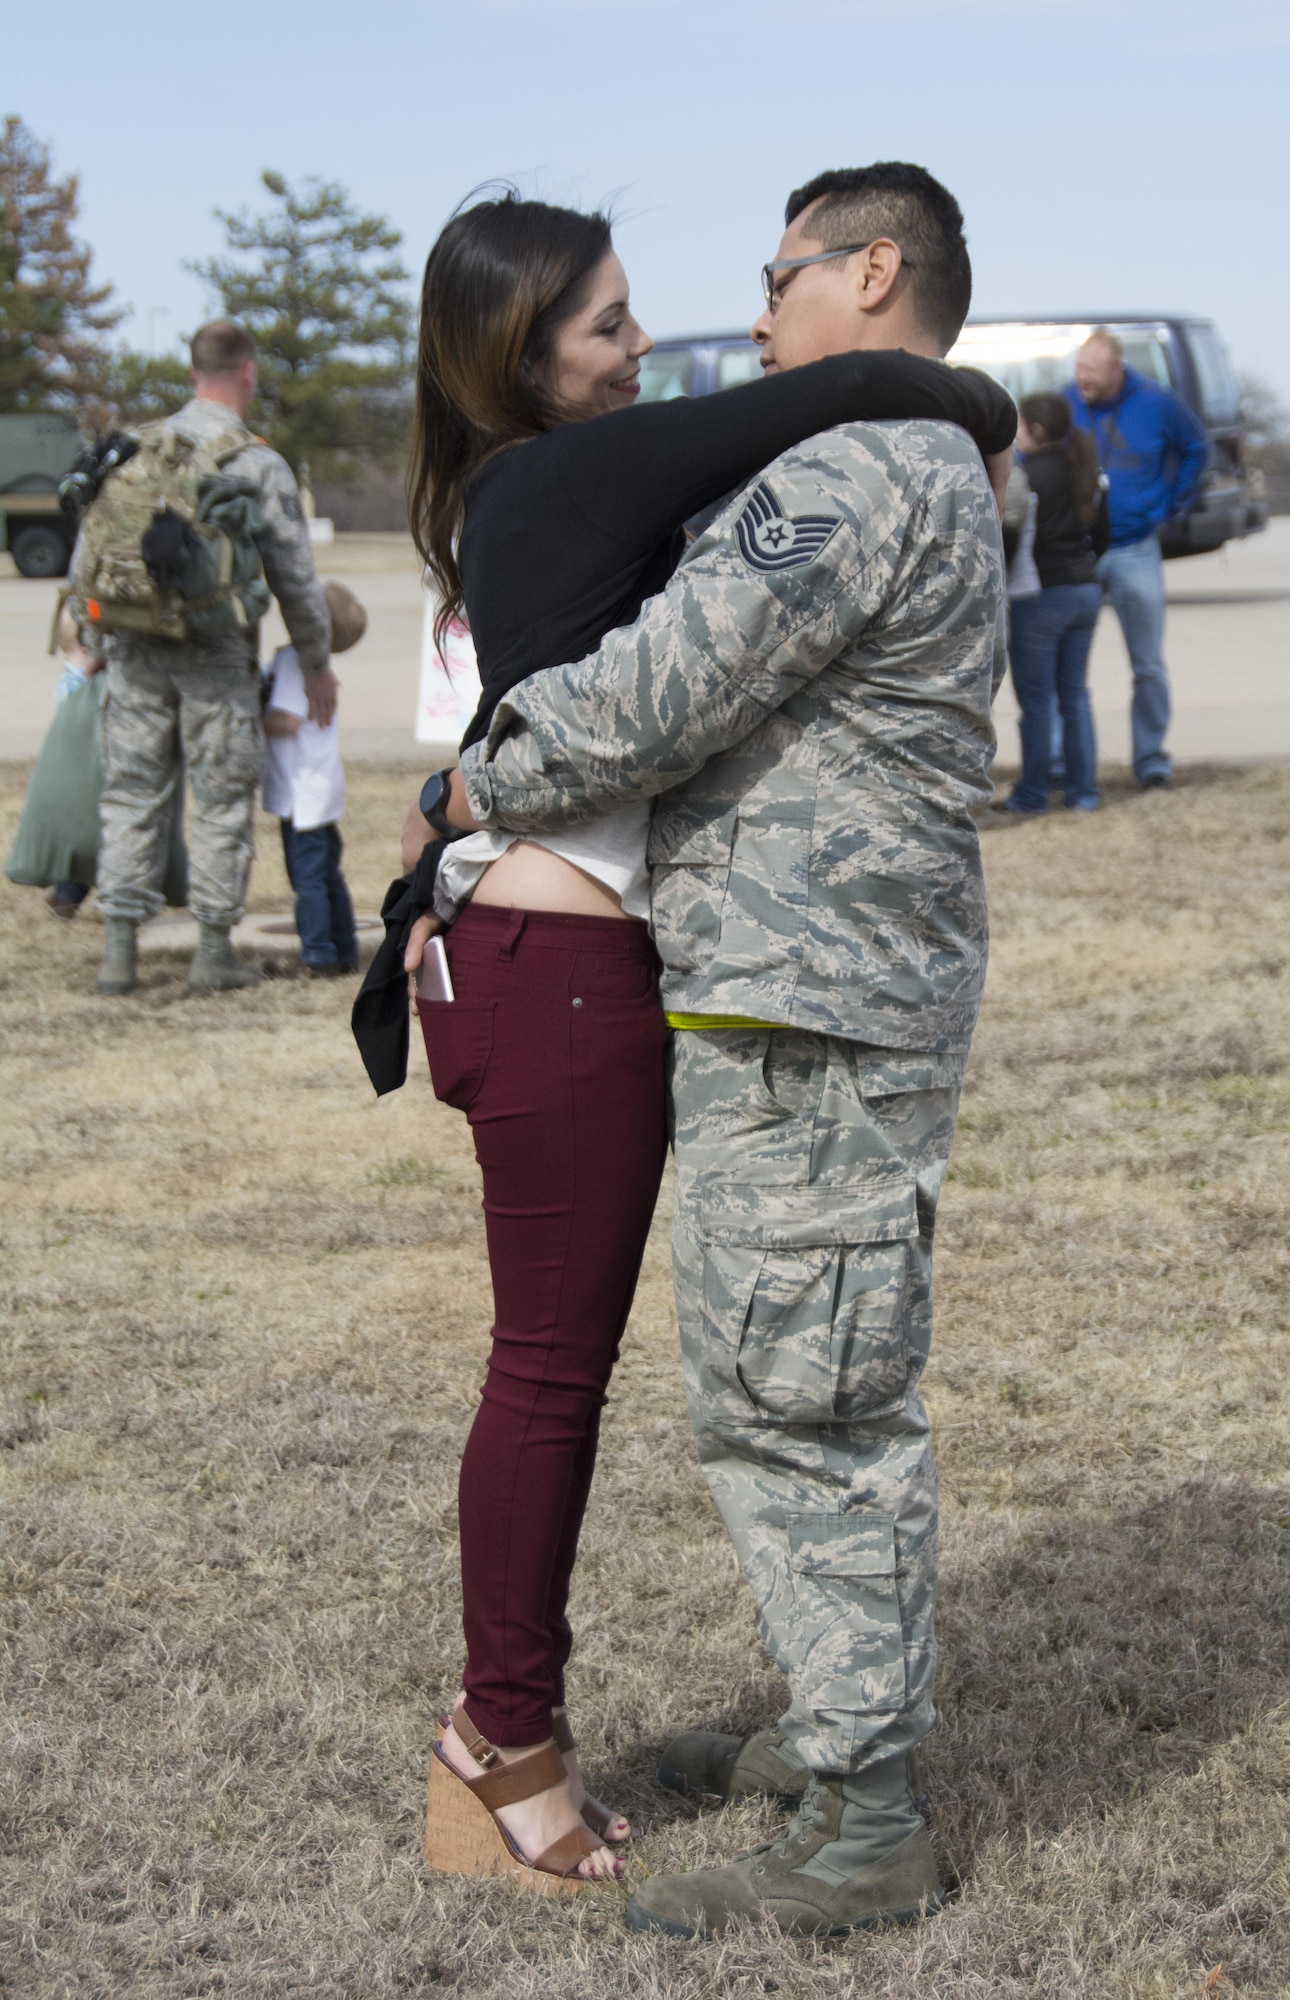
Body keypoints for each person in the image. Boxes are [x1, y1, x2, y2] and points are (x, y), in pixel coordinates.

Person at [380, 190, 1016, 1893]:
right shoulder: (884, 454)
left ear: (868, 272)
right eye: (613, 318)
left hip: (795, 993)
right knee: (770, 1378)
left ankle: (850, 1798)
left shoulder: (857, 464)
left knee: (796, 1394)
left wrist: (468, 780)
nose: (724, 317)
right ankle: (816, 1743)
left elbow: (655, 694)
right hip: (766, 981)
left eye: (775, 273)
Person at [76, 319, 336, 996]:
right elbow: (296, 580)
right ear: (247, 372)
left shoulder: (133, 448)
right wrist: (315, 662)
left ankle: (119, 951)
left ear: (192, 373)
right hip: (216, 656)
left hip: (132, 650)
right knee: (221, 799)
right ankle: (214, 948)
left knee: (131, 792)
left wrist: (98, 641)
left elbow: (86, 561)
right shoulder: (255, 461)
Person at [1066, 328, 1207, 789]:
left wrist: (1170, 506)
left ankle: (1150, 760)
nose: (1080, 378)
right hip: (1078, 553)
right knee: (1065, 667)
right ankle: (1062, 765)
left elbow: (1195, 448)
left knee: (1147, 664)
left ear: (1116, 370)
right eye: (1078, 368)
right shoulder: (1065, 402)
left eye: (1090, 371)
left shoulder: (1158, 403)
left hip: (1135, 548)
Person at [3, 607, 188, 918]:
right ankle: (109, 898)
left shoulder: (78, 684)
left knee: (89, 841)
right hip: (110, 784)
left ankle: (70, 895)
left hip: (93, 789)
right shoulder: (87, 686)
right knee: (118, 836)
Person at [995, 391, 1110, 815]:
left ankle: (1032, 794)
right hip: (1085, 589)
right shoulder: (1086, 471)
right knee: (1075, 696)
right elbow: (1103, 536)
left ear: (1036, 430)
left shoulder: (1026, 478)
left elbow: (1009, 537)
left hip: (1040, 594)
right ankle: (1083, 793)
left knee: (1037, 702)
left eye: (1020, 426)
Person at [261, 580, 365, 976]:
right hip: (321, 788)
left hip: (301, 791)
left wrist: (253, 716)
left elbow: (286, 720)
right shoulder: (320, 666)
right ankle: (344, 948)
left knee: (307, 879)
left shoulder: (293, 661)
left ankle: (317, 954)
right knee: (327, 873)